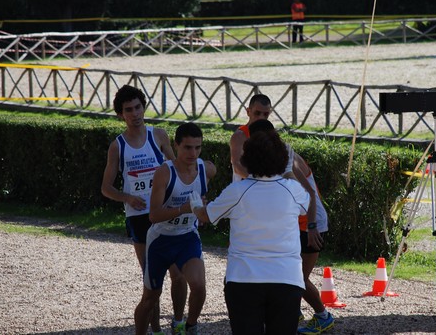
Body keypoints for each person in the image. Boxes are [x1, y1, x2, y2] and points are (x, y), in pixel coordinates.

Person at [191, 129, 310, 335]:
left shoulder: (237, 191)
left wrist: (194, 206)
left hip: (243, 279)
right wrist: (289, 170)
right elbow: (305, 204)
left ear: (247, 159)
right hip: (286, 279)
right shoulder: (293, 189)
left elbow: (206, 216)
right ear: (282, 159)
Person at [100, 84, 187, 335]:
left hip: (167, 211)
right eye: (129, 110)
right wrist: (127, 197)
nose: (135, 114)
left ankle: (178, 322)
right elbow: (106, 187)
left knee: (178, 273)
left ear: (144, 107)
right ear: (121, 115)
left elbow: (177, 167)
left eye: (138, 107)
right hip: (139, 217)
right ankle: (156, 329)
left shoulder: (158, 135)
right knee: (153, 280)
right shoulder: (118, 146)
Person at [247, 120, 334, 334]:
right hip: (294, 223)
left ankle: (322, 316)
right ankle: (290, 315)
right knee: (285, 274)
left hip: (311, 224)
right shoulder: (270, 155)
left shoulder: (285, 156)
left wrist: (312, 227)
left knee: (297, 279)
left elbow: (309, 194)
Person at [134, 122, 216, 335]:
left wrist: (203, 210)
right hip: (161, 239)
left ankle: (189, 326)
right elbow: (154, 215)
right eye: (187, 147)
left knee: (198, 285)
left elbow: (203, 209)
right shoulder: (164, 173)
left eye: (197, 147)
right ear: (176, 145)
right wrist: (184, 208)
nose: (193, 153)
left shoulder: (205, 169)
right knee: (150, 298)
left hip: (187, 236)